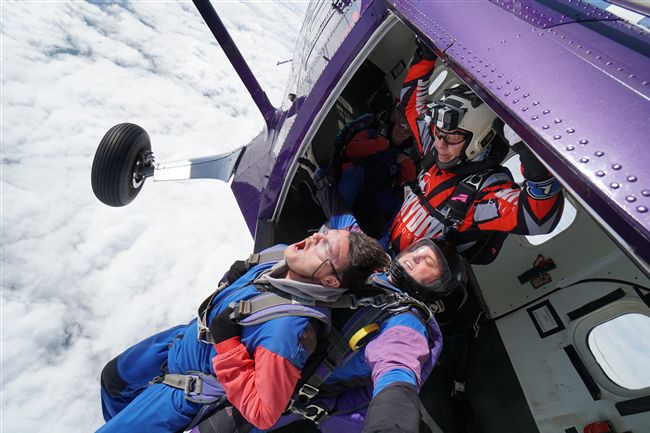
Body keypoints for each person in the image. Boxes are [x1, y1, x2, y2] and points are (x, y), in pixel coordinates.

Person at [97, 229, 389, 433]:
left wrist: (227, 345)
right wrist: (231, 279)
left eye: (325, 248)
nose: (315, 239)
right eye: (323, 235)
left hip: (183, 390)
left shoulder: (288, 332)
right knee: (113, 380)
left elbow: (263, 413)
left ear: (330, 282)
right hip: (179, 342)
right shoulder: (278, 256)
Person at [193, 236, 463, 433]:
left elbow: (397, 371)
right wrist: (325, 188)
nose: (417, 255)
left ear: (435, 286)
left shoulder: (406, 323)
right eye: (417, 249)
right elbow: (344, 230)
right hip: (267, 362)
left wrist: (390, 427)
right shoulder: (373, 275)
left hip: (291, 401)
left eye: (427, 260)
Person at [383, 42, 565, 264]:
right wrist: (426, 54)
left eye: (452, 138)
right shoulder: (435, 144)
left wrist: (534, 162)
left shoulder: (485, 191)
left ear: (481, 139)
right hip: (387, 246)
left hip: (413, 276)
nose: (440, 144)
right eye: (438, 133)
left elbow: (538, 220)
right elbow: (411, 107)